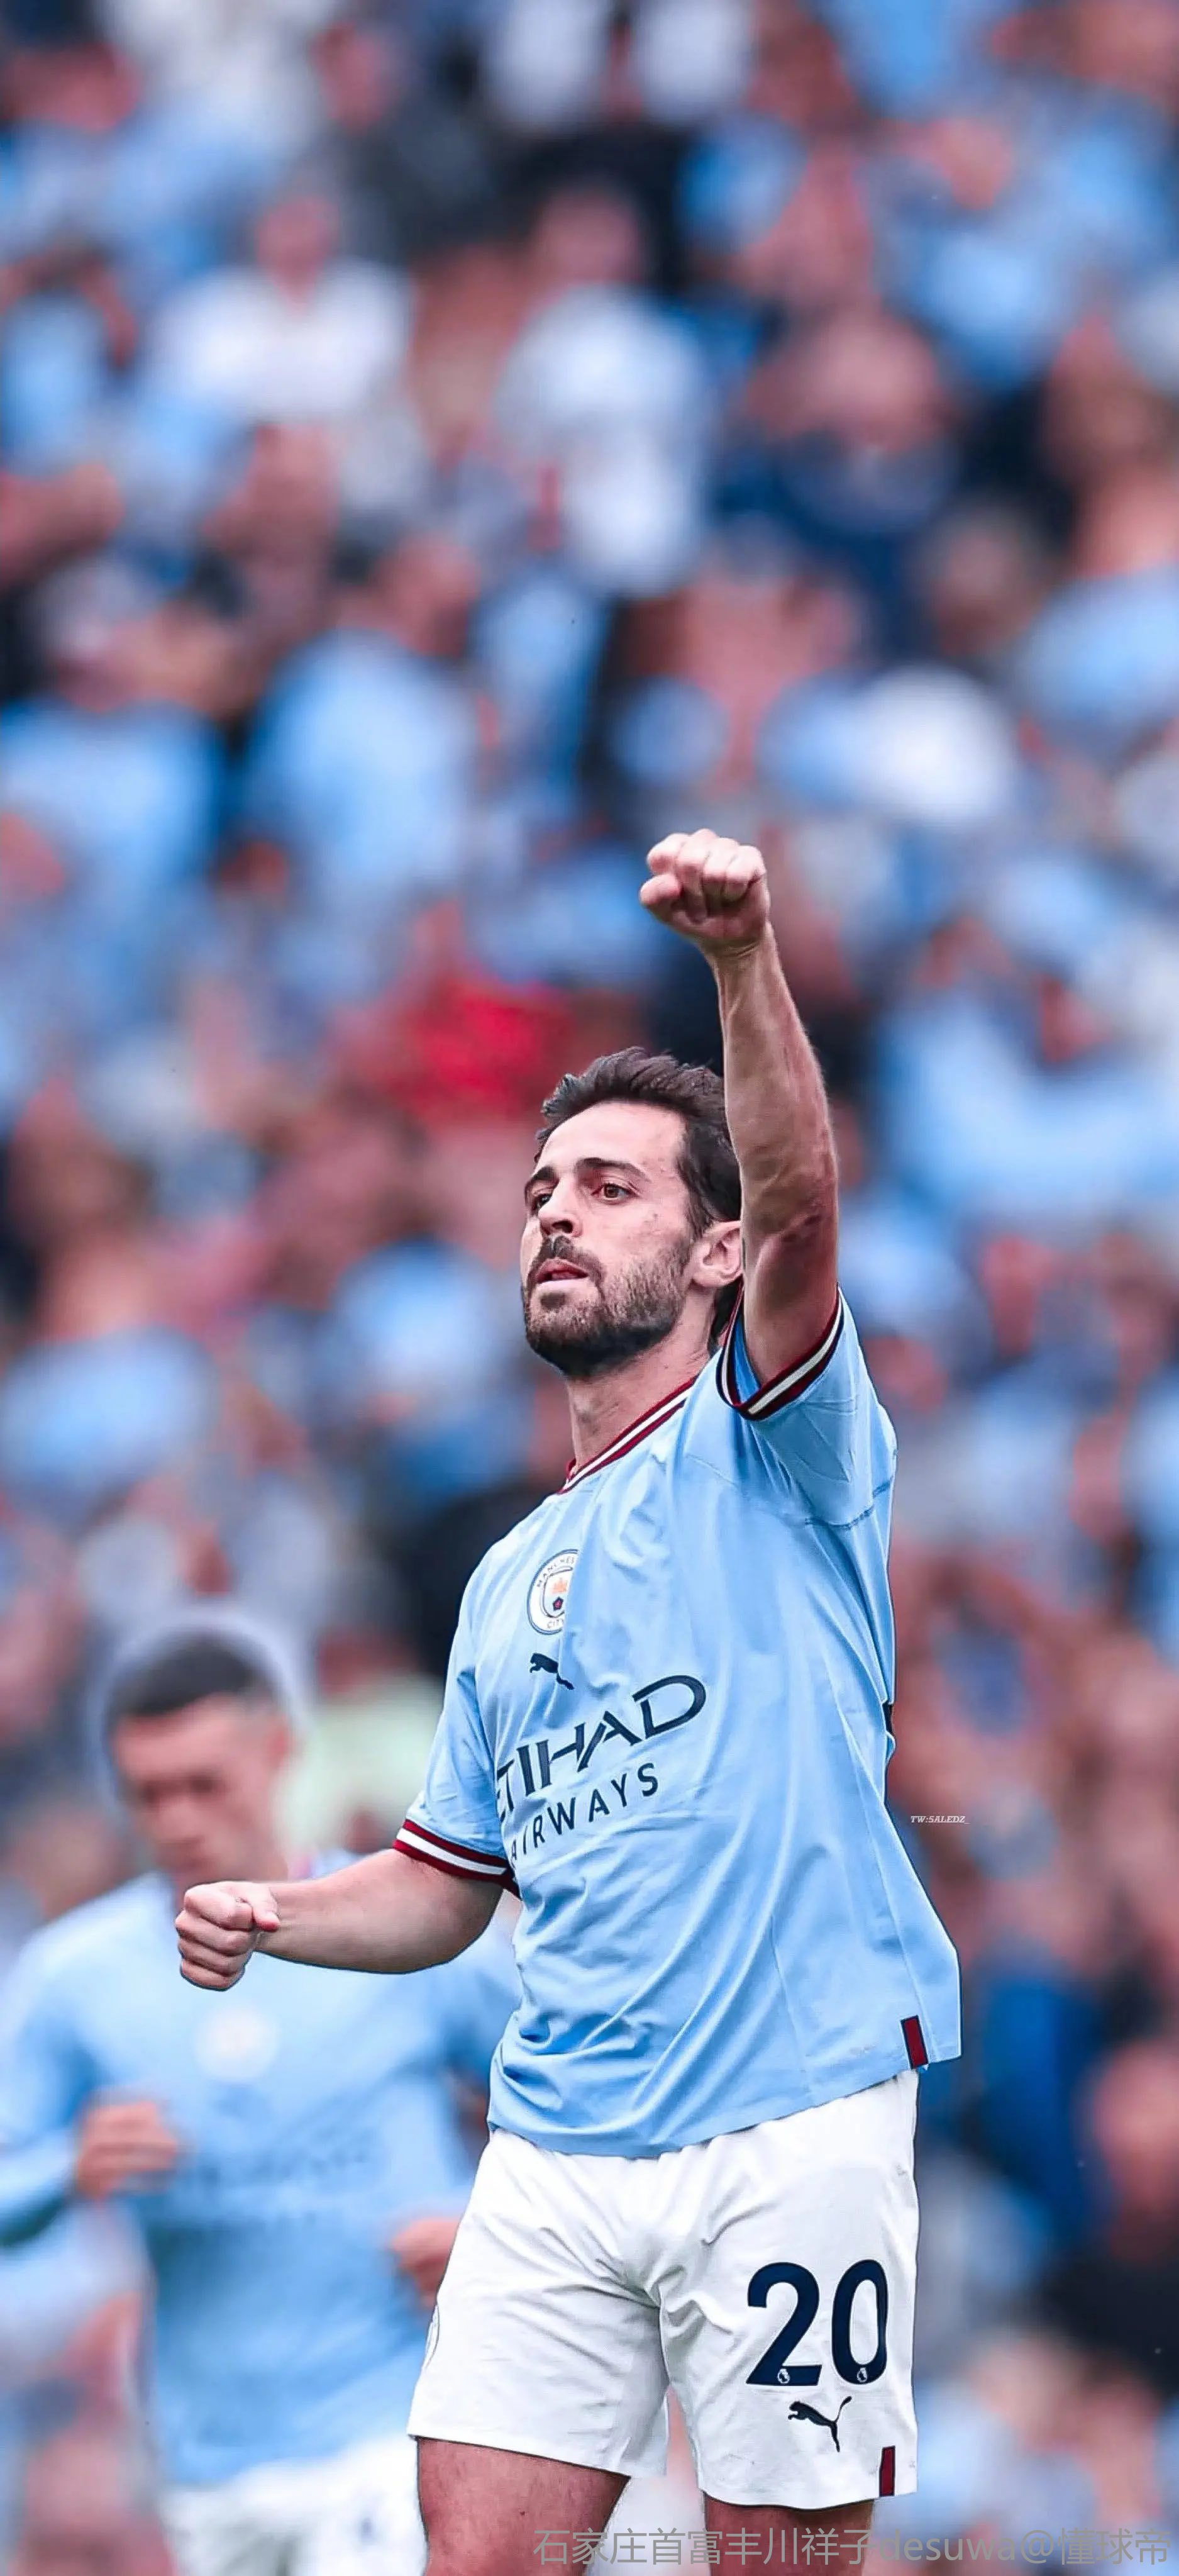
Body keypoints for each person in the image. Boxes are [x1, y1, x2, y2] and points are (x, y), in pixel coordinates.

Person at [175, 831, 962, 2571]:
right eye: (541, 1188)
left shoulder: (774, 1445)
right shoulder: (499, 1580)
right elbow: (445, 1888)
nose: (554, 1211)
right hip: (558, 2136)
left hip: (789, 2109)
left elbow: (805, 1205)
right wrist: (278, 1909)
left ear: (713, 1251)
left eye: (609, 1187)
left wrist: (741, 961)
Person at [0, 1604, 517, 2576]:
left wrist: (494, 2231)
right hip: (210, 2463)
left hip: (398, 2425)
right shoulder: (79, 1981)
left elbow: (578, 2095)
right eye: (149, 1794)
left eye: (205, 1785)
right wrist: (65, 2169)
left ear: (279, 1749)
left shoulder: (398, 1928)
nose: (178, 1820)